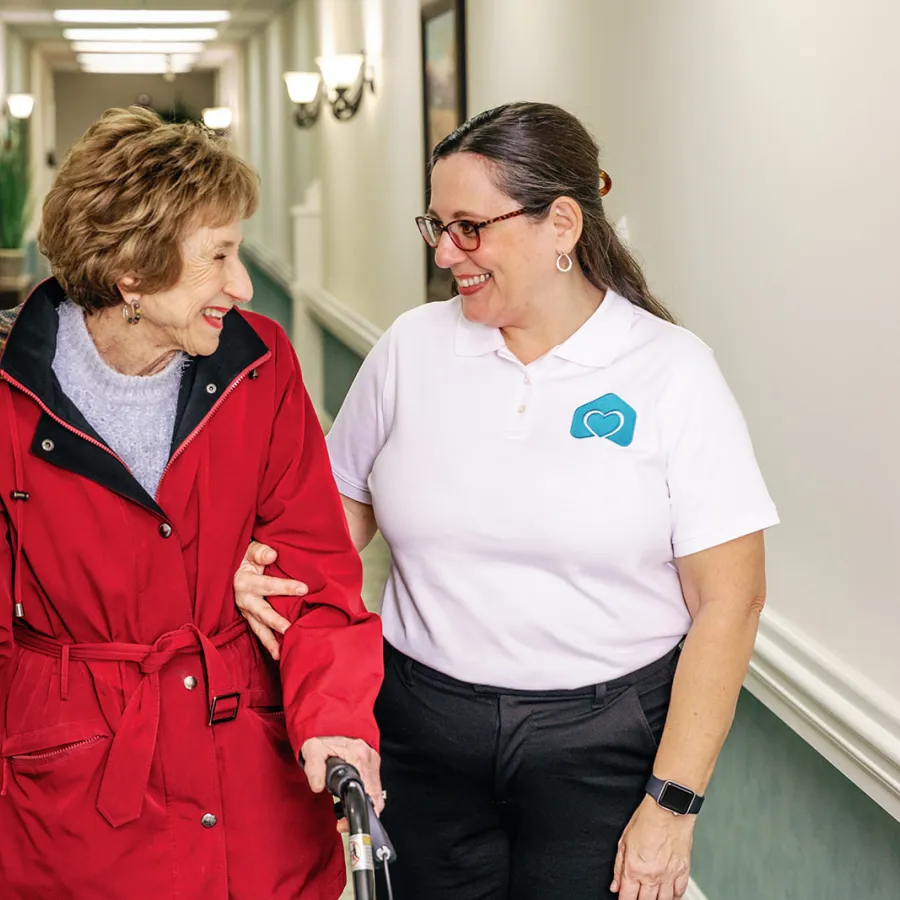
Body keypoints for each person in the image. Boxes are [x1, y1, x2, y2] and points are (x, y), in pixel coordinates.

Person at [235, 101, 779, 900]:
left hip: (602, 744)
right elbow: (333, 520)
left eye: (471, 227)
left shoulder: (670, 372)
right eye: (437, 225)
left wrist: (671, 805)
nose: (448, 252)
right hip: (421, 727)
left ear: (562, 224)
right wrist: (260, 572)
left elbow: (731, 604)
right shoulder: (410, 351)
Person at [0, 107, 383, 899]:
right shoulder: (11, 397)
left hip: (243, 767)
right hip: (73, 787)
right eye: (218, 257)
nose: (242, 286)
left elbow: (312, 574)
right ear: (131, 273)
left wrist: (337, 718)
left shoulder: (260, 364)